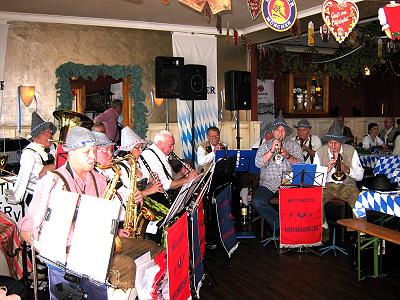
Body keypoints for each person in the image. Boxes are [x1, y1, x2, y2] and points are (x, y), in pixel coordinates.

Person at [18, 126, 161, 292]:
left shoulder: (98, 179)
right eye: (87, 152)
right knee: (126, 266)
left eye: (94, 151)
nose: (93, 157)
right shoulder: (53, 182)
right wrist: (57, 257)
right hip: (70, 256)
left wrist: (114, 232)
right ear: (71, 153)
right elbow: (25, 230)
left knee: (152, 249)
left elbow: (100, 217)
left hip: (98, 243)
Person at [253, 113, 303, 235]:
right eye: (277, 130)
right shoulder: (265, 146)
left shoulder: (293, 145)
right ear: (273, 132)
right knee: (257, 201)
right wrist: (271, 151)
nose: (280, 133)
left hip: (288, 182)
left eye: (283, 130)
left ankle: (297, 231)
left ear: (286, 133)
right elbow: (258, 163)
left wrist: (287, 155)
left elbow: (301, 164)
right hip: (268, 183)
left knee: (300, 201)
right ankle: (280, 225)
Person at [314, 120, 364, 226]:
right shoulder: (320, 152)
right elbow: (315, 179)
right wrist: (326, 169)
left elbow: (360, 176)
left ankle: (360, 233)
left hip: (347, 185)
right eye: (330, 143)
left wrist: (346, 169)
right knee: (314, 199)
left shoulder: (351, 150)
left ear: (341, 142)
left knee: (359, 200)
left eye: (336, 143)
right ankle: (323, 230)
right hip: (327, 185)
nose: (332, 146)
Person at [5, 111, 57, 206]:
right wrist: (65, 163)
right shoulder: (29, 153)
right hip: (36, 198)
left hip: (53, 195)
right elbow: (42, 172)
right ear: (36, 136)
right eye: (46, 132)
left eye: (50, 132)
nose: (50, 135)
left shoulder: (53, 147)